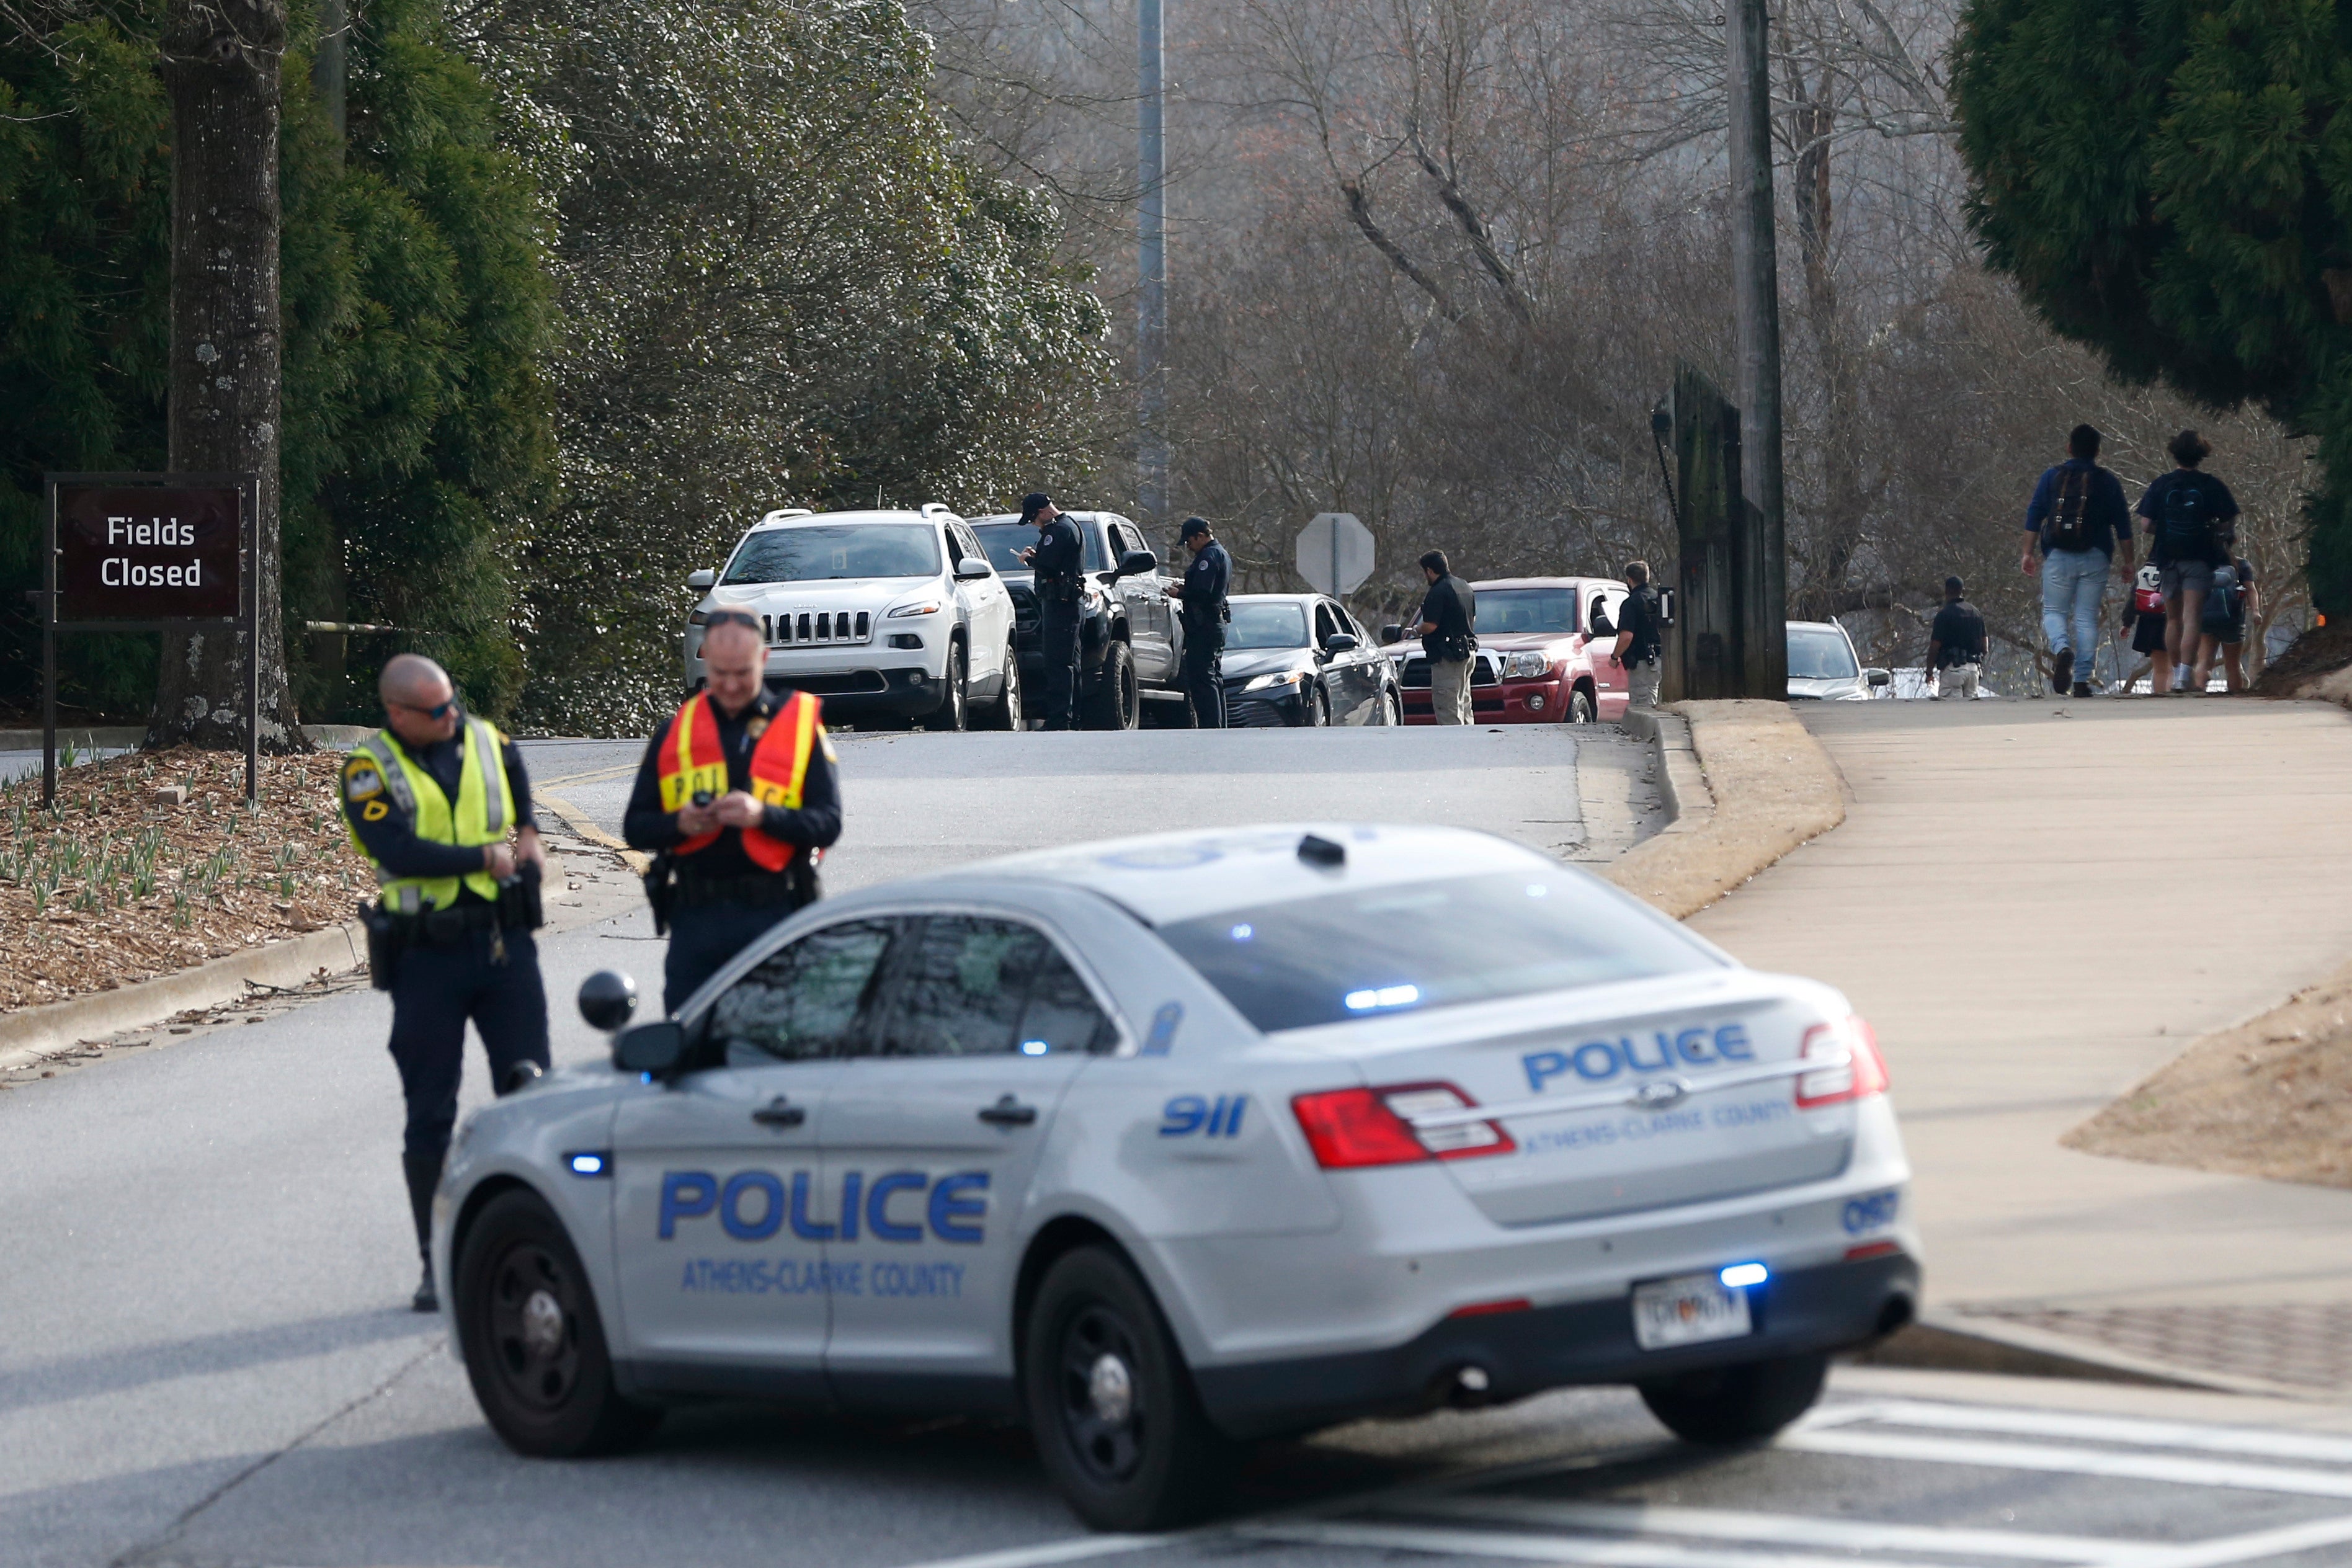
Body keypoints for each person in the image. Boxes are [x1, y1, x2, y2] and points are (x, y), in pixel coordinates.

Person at [341, 653, 550, 1313]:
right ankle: (439, 1263)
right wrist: (483, 858)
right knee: (430, 1112)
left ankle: (541, 1255)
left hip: (501, 945)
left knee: (531, 1093)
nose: (451, 714)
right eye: (435, 710)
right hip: (425, 958)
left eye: (452, 700)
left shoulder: (493, 744)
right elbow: (396, 851)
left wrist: (532, 848)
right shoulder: (367, 770)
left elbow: (523, 818)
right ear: (398, 714)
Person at [623, 614, 843, 1014]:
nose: (729, 685)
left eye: (742, 672)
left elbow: (828, 823)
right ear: (705, 660)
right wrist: (680, 824)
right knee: (689, 1050)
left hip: (774, 915)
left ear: (765, 657)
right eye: (719, 672)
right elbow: (636, 828)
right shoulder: (675, 731)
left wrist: (763, 816)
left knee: (770, 1052)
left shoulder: (799, 727)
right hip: (696, 920)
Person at [2021, 424, 2132, 696]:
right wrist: (2129, 561)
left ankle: (2062, 649)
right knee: (2086, 617)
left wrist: (2028, 552)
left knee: (2054, 612)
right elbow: (2123, 525)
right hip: (2096, 556)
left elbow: (2035, 515)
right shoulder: (2107, 481)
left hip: (2058, 555)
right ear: (2098, 451)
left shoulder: (2051, 477)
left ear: (2069, 448)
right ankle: (2082, 680)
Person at [2136, 429, 2240, 695]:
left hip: (2168, 558)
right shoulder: (2211, 485)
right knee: (2193, 617)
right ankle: (2184, 676)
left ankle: (2174, 670)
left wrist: (2167, 529)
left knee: (2173, 619)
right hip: (2200, 558)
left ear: (2175, 453)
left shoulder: (2161, 484)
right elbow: (2229, 520)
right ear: (2201, 455)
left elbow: (2145, 524)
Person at [1017, 492, 1085, 730]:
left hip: (1060, 603)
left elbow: (1048, 567)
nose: (1034, 523)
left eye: (1034, 518)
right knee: (1070, 663)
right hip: (1069, 603)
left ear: (1045, 512)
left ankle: (1059, 720)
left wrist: (1028, 560)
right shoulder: (1069, 525)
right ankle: (1072, 717)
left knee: (1058, 663)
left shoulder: (1056, 531)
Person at [1165, 515, 1231, 728]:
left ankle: (1211, 726)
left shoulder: (1208, 556)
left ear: (1200, 536)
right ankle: (1218, 726)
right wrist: (1186, 587)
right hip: (1212, 624)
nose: (1189, 547)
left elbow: (1204, 593)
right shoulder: (1219, 554)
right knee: (1213, 677)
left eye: (1190, 542)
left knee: (1203, 679)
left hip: (1205, 626)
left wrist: (1179, 594)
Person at [1415, 550, 1478, 724]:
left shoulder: (1439, 591)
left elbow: (1430, 626)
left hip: (1448, 657)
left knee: (1448, 707)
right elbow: (1473, 618)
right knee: (1464, 704)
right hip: (1468, 652)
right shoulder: (1464, 586)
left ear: (1429, 571)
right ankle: (1469, 742)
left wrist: (1416, 629)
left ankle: (1455, 747)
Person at [2199, 553, 2260, 693]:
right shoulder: (2241, 564)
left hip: (2206, 619)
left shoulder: (2201, 562)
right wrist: (2256, 611)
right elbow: (2251, 589)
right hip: (2233, 620)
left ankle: (2199, 693)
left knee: (2204, 662)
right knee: (2233, 665)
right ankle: (2235, 697)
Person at [1611, 560, 1664, 709]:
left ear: (1629, 580)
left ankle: (1648, 734)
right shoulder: (1659, 599)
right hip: (1661, 661)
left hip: (1642, 663)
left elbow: (1627, 636)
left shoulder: (1631, 603)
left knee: (1643, 708)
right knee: (1657, 703)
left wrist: (1614, 657)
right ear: (1647, 576)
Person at [1925, 576, 1987, 700]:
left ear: (1946, 591)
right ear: (1962, 590)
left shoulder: (1943, 615)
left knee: (1951, 714)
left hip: (1953, 670)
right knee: (1970, 714)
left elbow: (1934, 648)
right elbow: (1985, 648)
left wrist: (1929, 672)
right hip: (1973, 671)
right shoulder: (1976, 613)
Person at [2124, 561, 2170, 695]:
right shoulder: (2182, 565)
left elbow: (2134, 597)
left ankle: (2161, 696)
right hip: (2174, 619)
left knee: (2160, 668)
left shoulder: (2146, 569)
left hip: (2149, 620)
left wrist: (2127, 622)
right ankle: (2169, 697)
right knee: (2172, 668)